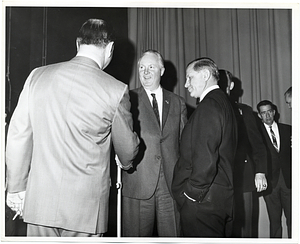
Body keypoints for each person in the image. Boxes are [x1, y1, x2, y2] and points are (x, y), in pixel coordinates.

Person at [5, 19, 140, 237]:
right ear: (110, 48)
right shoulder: (116, 90)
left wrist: (16, 188)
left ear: (78, 44)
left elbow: (18, 137)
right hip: (86, 211)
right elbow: (127, 150)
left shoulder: (37, 77)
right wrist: (129, 155)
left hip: (40, 204)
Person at [122, 50, 187, 237]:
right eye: (142, 67)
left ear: (162, 70)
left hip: (170, 186)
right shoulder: (128, 99)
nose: (146, 72)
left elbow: (184, 144)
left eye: (151, 67)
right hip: (138, 184)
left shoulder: (177, 103)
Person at [172, 58, 238, 237]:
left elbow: (205, 158)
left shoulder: (209, 105)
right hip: (219, 199)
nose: (186, 84)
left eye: (189, 78)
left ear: (205, 75)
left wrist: (191, 195)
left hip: (203, 204)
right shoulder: (224, 103)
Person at [218, 70, 268, 237]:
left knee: (245, 228)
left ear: (231, 86)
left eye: (224, 82)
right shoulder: (206, 109)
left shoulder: (244, 111)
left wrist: (260, 171)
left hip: (243, 179)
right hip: (217, 181)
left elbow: (258, 145)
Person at [256, 100, 292, 238]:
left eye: (269, 111)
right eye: (263, 113)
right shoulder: (256, 133)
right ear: (259, 115)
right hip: (270, 183)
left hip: (289, 182)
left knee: (293, 220)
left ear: (274, 112)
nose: (267, 115)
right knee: (274, 222)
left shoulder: (288, 129)